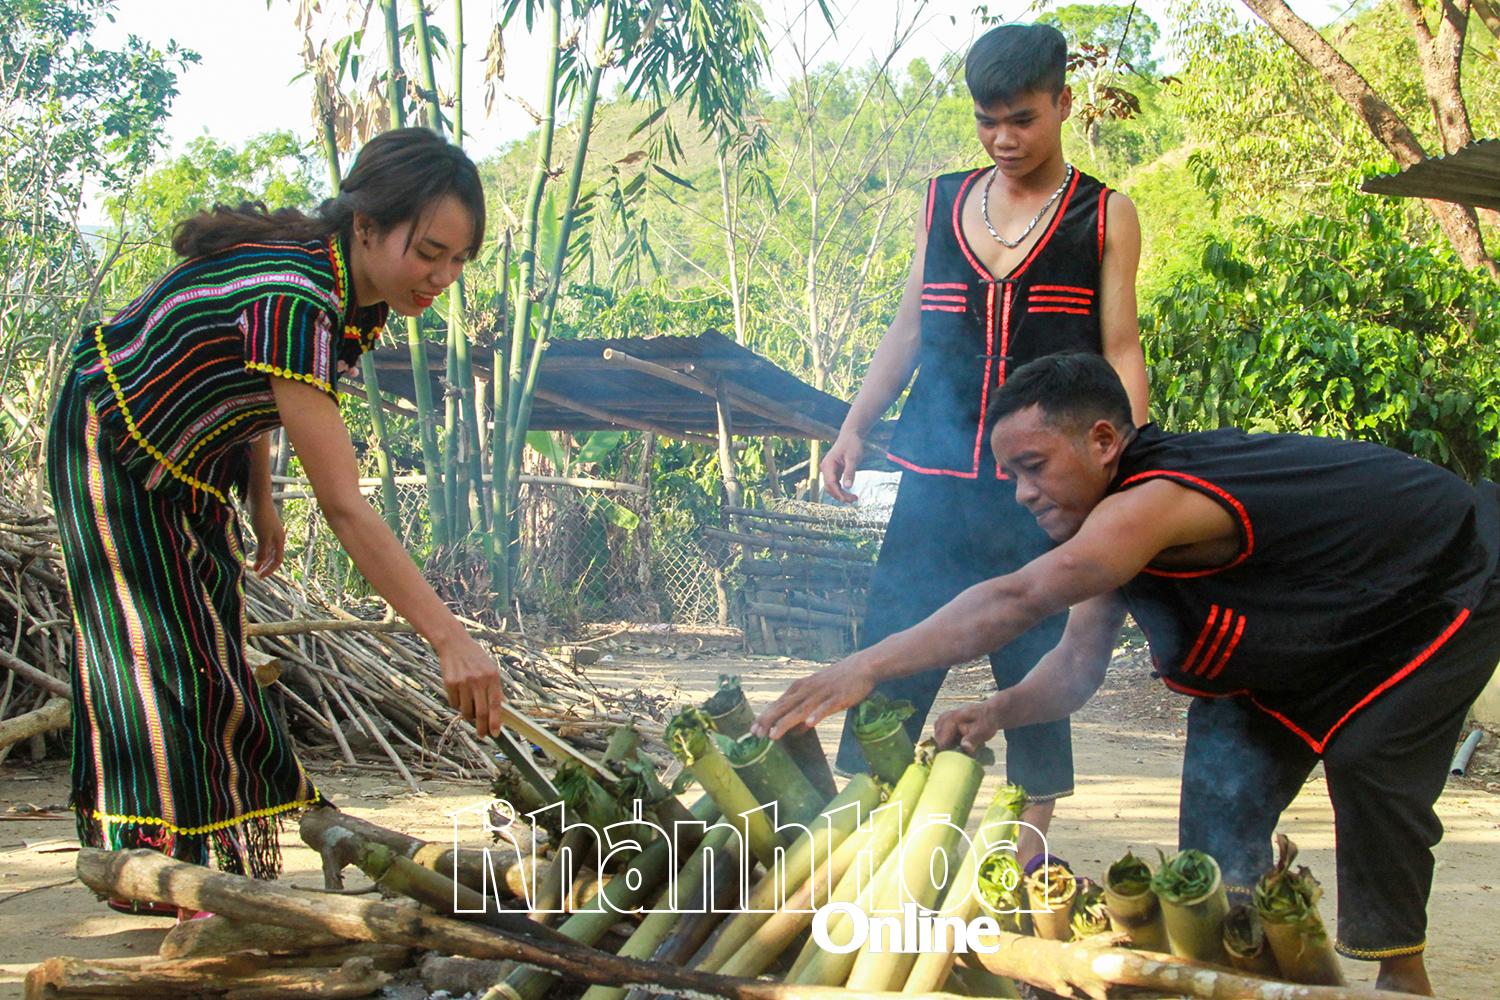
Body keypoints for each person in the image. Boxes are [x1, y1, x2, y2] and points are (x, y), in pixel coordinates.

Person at [757, 352, 1499, 995]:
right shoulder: (1108, 529)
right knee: (1218, 786)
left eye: (1034, 466)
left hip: (1446, 582)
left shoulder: (1155, 500)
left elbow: (1018, 598)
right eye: (1011, 475)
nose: (1022, 492)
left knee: (1369, 762)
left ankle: (1404, 982)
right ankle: (1225, 971)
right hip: (1311, 634)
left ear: (1105, 439)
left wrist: (865, 665)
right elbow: (1076, 667)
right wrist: (1000, 710)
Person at [47, 127, 507, 914]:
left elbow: (256, 386)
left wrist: (258, 492)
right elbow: (345, 505)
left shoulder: (353, 300)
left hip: (197, 460)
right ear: (367, 225)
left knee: (214, 656)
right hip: (114, 440)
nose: (443, 276)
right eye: (430, 251)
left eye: (460, 261)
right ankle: (152, 869)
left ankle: (198, 863)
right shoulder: (295, 293)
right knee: (157, 657)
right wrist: (449, 638)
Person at [818, 22, 1148, 862]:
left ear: (1063, 105)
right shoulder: (941, 201)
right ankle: (862, 828)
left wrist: (1128, 468)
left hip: (1038, 487)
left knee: (1034, 650)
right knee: (892, 640)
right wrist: (856, 424)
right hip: (932, 472)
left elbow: (1120, 348)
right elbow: (908, 328)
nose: (1004, 138)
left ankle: (1025, 849)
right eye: (986, 120)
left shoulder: (1104, 215)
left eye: (1023, 119)